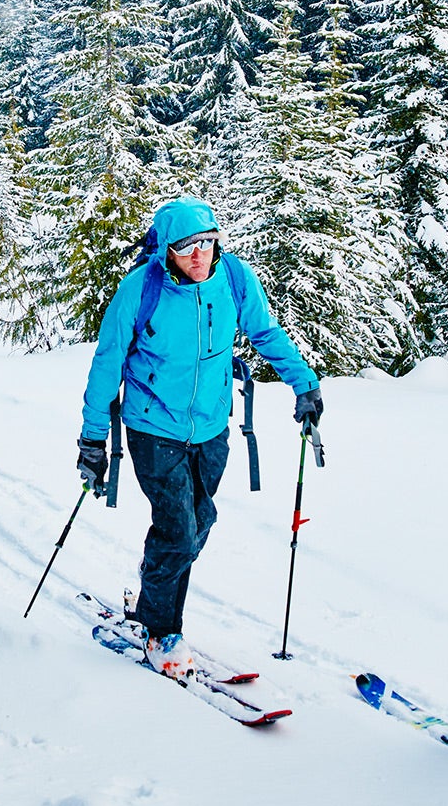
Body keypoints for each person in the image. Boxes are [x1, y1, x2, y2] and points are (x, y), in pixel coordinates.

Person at [75, 197, 321, 679]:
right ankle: (160, 629)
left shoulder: (234, 279)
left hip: (211, 426)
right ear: (167, 249)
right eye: (187, 247)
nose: (199, 255)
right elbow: (106, 367)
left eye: (207, 243)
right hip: (152, 426)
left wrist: (304, 383)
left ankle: (152, 591)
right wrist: (92, 440)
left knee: (200, 519)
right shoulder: (139, 291)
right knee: (178, 529)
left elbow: (266, 333)